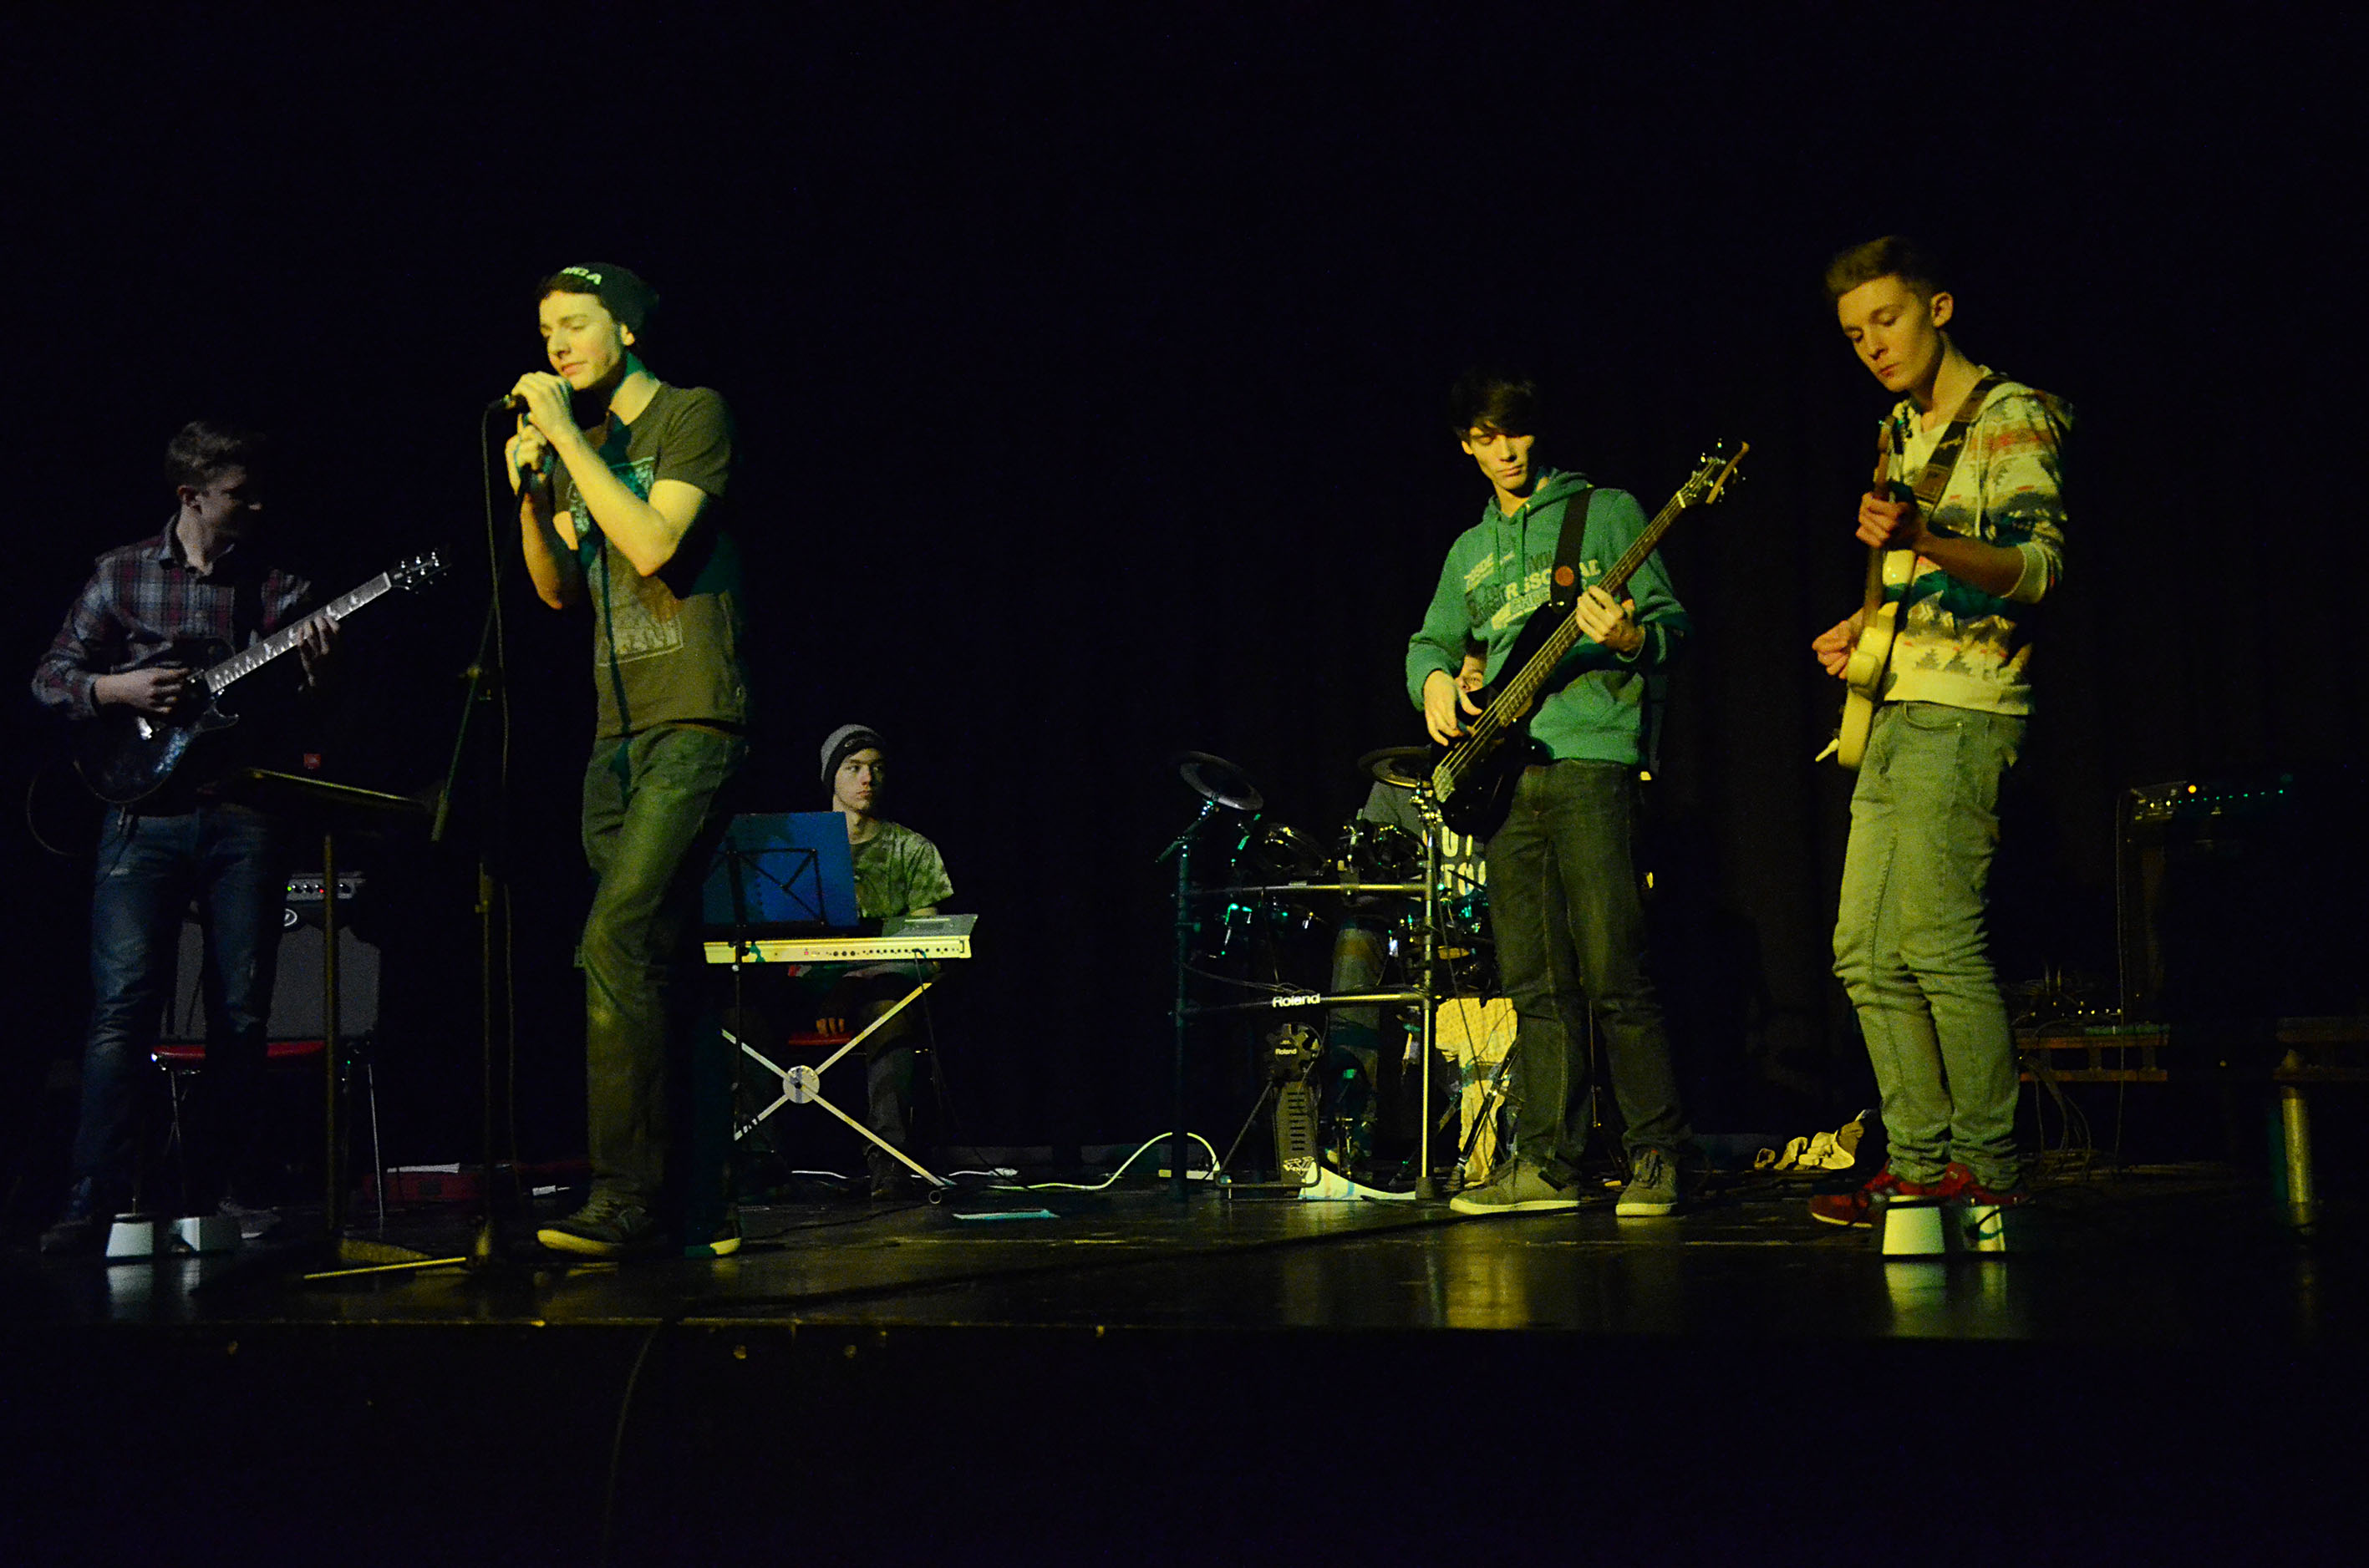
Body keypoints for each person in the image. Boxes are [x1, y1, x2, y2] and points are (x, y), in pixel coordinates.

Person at [1807, 237, 2069, 1226]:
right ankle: (1919, 1163)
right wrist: (1863, 624)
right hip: (1895, 703)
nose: (1873, 344)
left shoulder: (2010, 415)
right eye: (1854, 334)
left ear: (1939, 307)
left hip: (1967, 709)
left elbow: (2038, 569)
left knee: (1937, 942)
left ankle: (1990, 1169)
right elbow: (1905, 569)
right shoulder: (1897, 431)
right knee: (1863, 952)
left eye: (1887, 319)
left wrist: (1925, 537)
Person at [33, 420, 337, 1253]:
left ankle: (226, 1187)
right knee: (122, 1008)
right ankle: (91, 1200)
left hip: (243, 813)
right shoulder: (122, 573)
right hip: (141, 816)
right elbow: (50, 677)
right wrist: (119, 689)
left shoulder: (281, 588)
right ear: (191, 496)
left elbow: (310, 715)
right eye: (240, 494)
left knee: (241, 1012)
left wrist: (319, 675)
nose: (258, 505)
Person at [507, 262, 752, 1258]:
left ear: (628, 331)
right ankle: (702, 1204)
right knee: (655, 965)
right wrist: (533, 497)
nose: (557, 346)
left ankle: (624, 1199)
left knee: (614, 940)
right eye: (546, 332)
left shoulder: (693, 414)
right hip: (615, 734)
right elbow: (557, 589)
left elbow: (652, 544)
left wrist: (567, 439)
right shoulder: (588, 445)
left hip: (694, 717)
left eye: (575, 324)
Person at [1409, 369, 1695, 1218]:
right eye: (1486, 438)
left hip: (1591, 761)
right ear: (1465, 446)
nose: (1505, 450)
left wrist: (1631, 634)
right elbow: (1431, 639)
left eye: (1516, 432)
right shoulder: (1468, 550)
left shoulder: (1603, 512)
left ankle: (1656, 1153)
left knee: (1614, 970)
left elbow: (1672, 624)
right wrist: (1432, 678)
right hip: (1506, 775)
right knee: (1535, 983)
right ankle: (1547, 1164)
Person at [811, 723, 953, 1197]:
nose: (867, 778)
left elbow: (928, 950)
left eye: (875, 768)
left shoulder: (912, 849)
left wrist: (854, 980)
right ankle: (754, 1164)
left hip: (879, 983)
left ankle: (889, 1161)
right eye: (853, 768)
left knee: (889, 1010)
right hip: (809, 983)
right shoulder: (799, 845)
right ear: (832, 776)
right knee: (735, 1009)